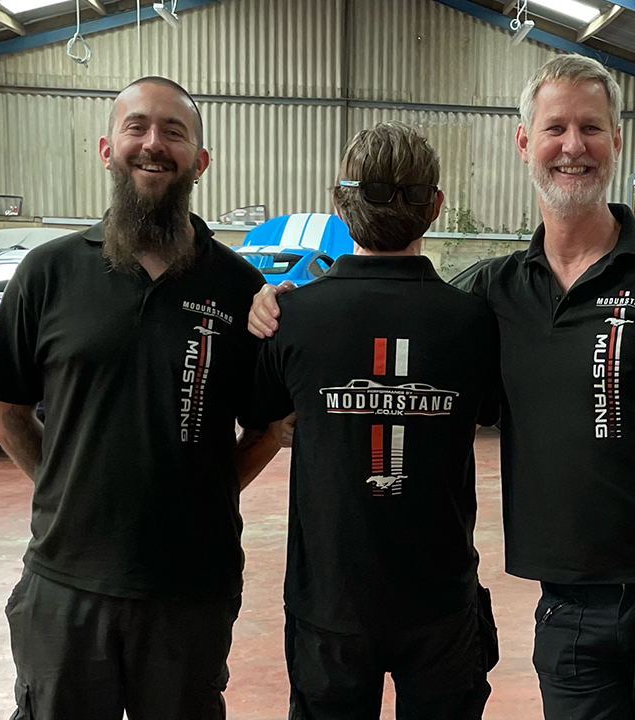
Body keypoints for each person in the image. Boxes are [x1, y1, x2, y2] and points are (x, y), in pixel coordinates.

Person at [249, 56, 635, 720]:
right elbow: (396, 313)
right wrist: (273, 302)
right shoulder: (492, 295)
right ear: (525, 144)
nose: (573, 146)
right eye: (555, 128)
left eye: (591, 128)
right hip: (566, 614)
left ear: (616, 141)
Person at [0, 76, 282, 720]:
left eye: (175, 131)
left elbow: (267, 428)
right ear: (106, 148)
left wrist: (205, 491)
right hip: (64, 586)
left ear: (200, 160)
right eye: (137, 127)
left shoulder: (238, 286)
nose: (154, 143)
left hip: (190, 591)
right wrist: (62, 483)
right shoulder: (49, 272)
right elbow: (2, 407)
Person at [249, 121, 501, 720]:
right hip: (440, 600)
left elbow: (262, 419)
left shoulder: (290, 320)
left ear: (339, 202)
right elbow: (488, 412)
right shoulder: (474, 324)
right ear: (436, 206)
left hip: (329, 605)